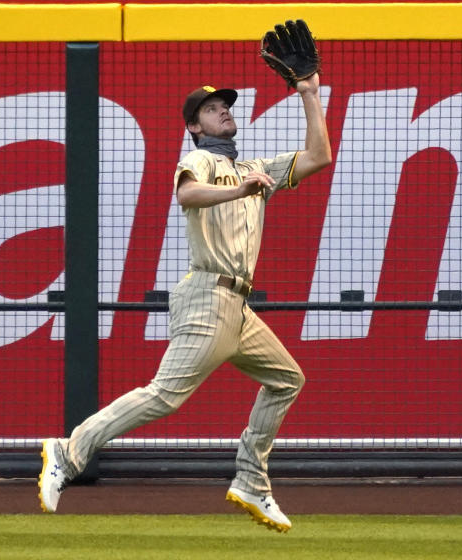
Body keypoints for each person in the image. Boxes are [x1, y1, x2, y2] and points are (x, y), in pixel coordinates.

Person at [39, 73, 331, 532]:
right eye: (212, 109)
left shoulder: (252, 168)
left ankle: (252, 481)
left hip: (238, 306)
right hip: (207, 295)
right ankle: (69, 451)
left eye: (225, 105)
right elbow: (186, 193)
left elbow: (319, 156)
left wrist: (309, 94)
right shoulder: (199, 159)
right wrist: (242, 190)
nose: (224, 110)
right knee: (164, 395)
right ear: (195, 126)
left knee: (286, 379)